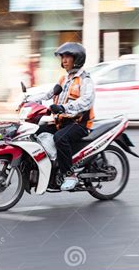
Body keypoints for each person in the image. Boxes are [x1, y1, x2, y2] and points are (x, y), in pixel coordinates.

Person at [29, 42, 95, 191]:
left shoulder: (85, 80)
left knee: (60, 138)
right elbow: (48, 94)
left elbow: (86, 102)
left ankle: (69, 175)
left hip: (79, 124)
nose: (63, 60)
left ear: (77, 59)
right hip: (62, 123)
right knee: (36, 131)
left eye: (67, 57)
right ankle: (48, 168)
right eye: (62, 57)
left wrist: (63, 107)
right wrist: (29, 99)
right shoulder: (63, 80)